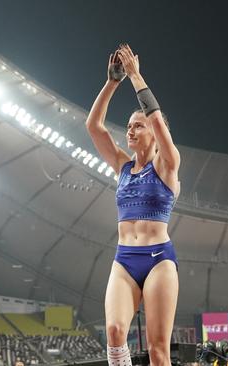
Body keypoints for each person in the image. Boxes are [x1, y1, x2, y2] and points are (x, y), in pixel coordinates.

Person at [85, 43, 180, 366]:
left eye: (138, 125)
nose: (130, 129)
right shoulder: (123, 167)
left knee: (157, 351)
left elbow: (156, 120)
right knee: (113, 331)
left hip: (159, 261)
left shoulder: (167, 165)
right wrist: (112, 82)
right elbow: (94, 127)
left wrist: (136, 77)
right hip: (124, 258)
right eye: (128, 125)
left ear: (154, 132)